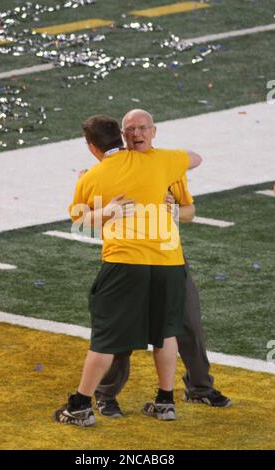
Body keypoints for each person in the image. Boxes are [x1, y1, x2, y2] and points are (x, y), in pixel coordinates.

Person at [54, 114, 202, 427]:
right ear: (122, 138)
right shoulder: (162, 161)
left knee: (106, 339)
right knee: (166, 334)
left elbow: (79, 220)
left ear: (93, 147)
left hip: (125, 262)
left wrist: (105, 211)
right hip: (169, 261)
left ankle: (81, 405)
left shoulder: (92, 177)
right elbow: (195, 158)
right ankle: (165, 402)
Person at [94, 109, 231, 419]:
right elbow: (93, 209)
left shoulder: (168, 164)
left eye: (143, 127)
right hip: (129, 263)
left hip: (170, 260)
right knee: (121, 331)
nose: (137, 133)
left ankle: (200, 387)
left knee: (190, 324)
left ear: (154, 131)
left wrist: (173, 211)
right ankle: (106, 394)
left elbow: (189, 211)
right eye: (130, 129)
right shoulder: (115, 167)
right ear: (123, 136)